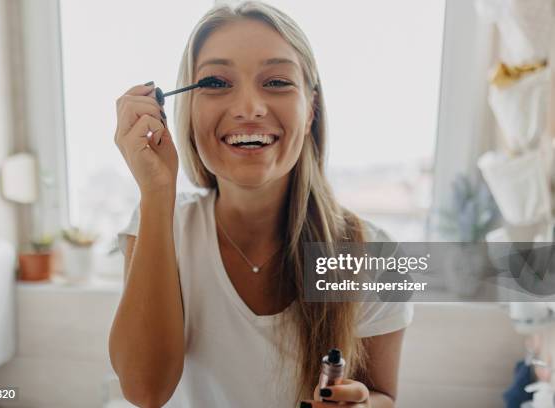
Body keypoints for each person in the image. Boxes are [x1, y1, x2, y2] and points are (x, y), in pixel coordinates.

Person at [109, 2, 413, 407]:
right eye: (216, 82)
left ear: (311, 111)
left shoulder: (375, 255)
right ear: (186, 109)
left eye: (277, 82)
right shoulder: (160, 223)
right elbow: (145, 392)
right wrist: (156, 191)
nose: (249, 108)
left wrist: (362, 404)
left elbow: (384, 395)